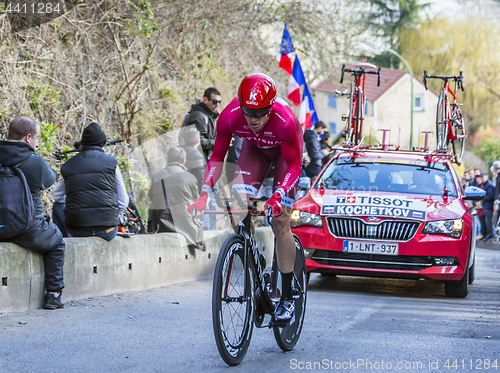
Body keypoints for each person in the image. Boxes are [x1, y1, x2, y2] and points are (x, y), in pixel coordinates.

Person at [188, 73, 303, 325]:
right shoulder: (230, 117)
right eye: (248, 112)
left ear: (270, 108)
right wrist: (204, 193)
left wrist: (279, 194)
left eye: (260, 113)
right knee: (236, 209)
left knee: (279, 221)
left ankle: (287, 296)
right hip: (255, 151)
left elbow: (295, 164)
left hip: (285, 158)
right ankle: (253, 255)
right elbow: (216, 158)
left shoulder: (284, 121)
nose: (253, 119)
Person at [0, 116, 65, 309]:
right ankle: (53, 294)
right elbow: (50, 179)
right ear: (28, 138)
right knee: (57, 241)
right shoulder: (33, 161)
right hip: (27, 228)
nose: (36, 143)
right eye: (37, 138)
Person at [58, 122, 129, 241]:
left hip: (77, 230)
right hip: (107, 230)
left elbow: (58, 197)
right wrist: (109, 215)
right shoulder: (112, 163)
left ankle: (61, 241)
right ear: (103, 144)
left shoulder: (67, 166)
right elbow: (124, 201)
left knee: (57, 206)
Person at [148, 147, 204, 250]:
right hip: (184, 225)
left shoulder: (156, 175)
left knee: (152, 205)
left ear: (167, 159)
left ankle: (151, 231)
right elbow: (195, 202)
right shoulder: (190, 177)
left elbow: (151, 196)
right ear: (184, 161)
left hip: (162, 224)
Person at [183, 87, 221, 162]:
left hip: (202, 159)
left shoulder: (211, 115)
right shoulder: (199, 116)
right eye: (214, 102)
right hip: (194, 161)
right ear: (205, 100)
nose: (217, 105)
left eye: (219, 102)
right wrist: (219, 143)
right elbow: (198, 141)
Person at [180, 127, 205, 191]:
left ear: (183, 140)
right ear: (198, 141)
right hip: (189, 192)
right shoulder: (197, 156)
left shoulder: (176, 151)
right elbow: (200, 180)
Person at [477, 172, 495, 241]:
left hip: (488, 206)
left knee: (488, 221)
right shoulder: (484, 185)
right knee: (484, 221)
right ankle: (485, 234)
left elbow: (490, 196)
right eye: (481, 177)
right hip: (484, 206)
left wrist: (482, 197)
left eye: (483, 177)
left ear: (486, 176)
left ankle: (489, 235)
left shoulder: (489, 185)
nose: (482, 178)